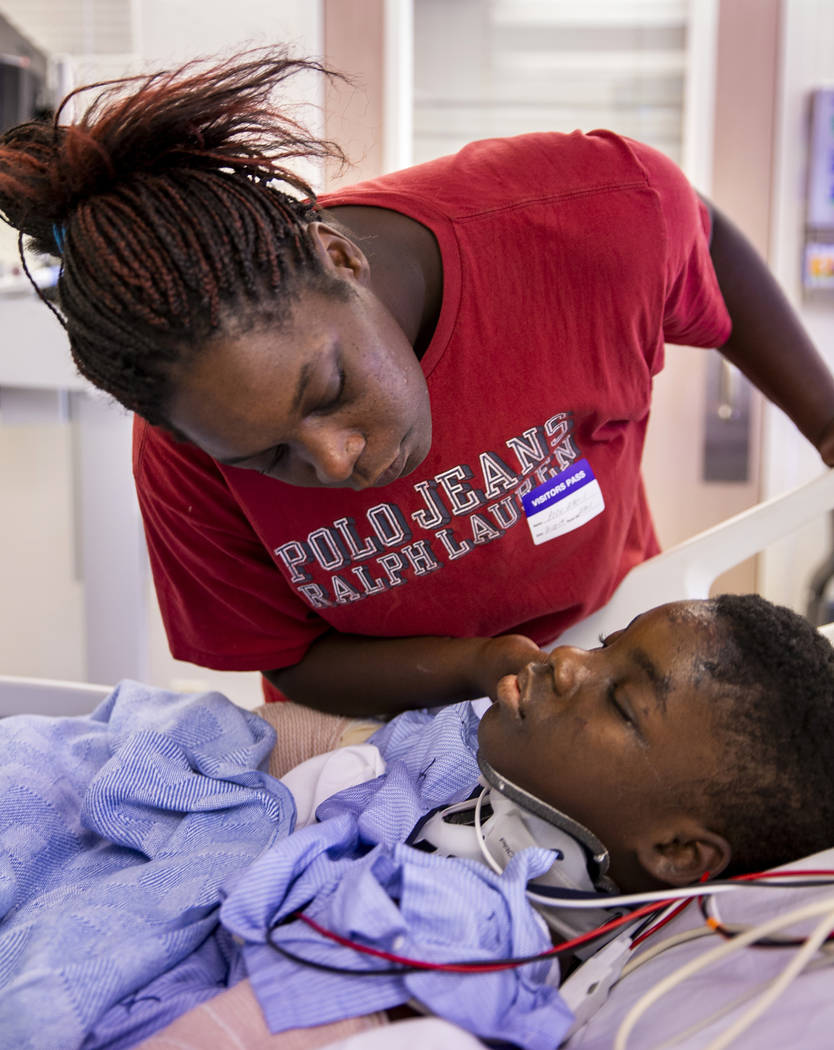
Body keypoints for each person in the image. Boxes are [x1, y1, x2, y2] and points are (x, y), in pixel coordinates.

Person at [3, 50, 834, 715]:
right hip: (384, 722)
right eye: (266, 458)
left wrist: (825, 421)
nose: (334, 462)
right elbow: (293, 663)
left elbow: (698, 237)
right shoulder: (185, 453)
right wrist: (474, 669)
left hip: (617, 632)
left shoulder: (582, 218)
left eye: (326, 391)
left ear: (339, 257)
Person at [1, 594, 833, 1050]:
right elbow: (296, 743)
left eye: (621, 698)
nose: (572, 658)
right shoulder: (463, 749)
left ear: (679, 850)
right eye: (609, 642)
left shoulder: (469, 948)